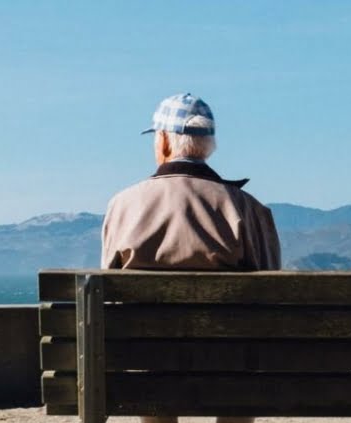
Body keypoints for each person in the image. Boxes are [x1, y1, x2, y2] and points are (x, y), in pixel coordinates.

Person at [101, 93, 280, 423]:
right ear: (208, 144)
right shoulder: (247, 208)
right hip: (229, 369)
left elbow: (108, 295)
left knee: (151, 357)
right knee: (240, 363)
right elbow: (271, 294)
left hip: (147, 367)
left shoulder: (124, 205)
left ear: (165, 141)